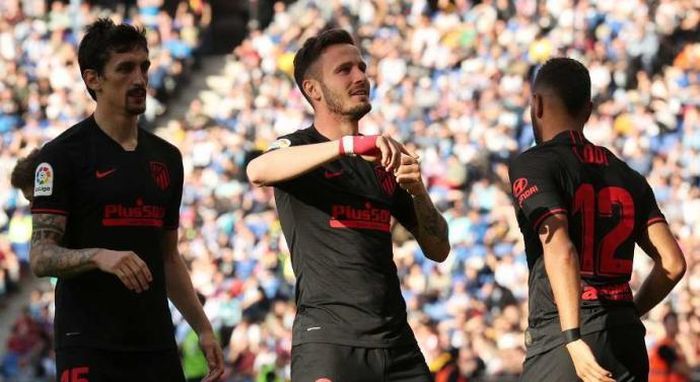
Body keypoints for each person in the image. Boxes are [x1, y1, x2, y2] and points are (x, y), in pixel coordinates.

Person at [246, 28, 450, 381]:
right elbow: (257, 170)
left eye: (362, 67)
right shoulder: (299, 147)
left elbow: (439, 248)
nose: (360, 77)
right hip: (329, 343)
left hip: (397, 343)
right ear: (313, 89)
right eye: (344, 70)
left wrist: (418, 192)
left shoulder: (383, 157)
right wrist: (346, 146)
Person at [28, 19, 224, 382]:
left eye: (144, 66)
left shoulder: (166, 158)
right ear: (93, 79)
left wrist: (203, 327)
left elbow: (168, 256)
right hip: (88, 343)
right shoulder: (61, 157)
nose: (139, 79)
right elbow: (40, 256)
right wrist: (100, 256)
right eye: (125, 68)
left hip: (154, 343)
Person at [508, 57, 686, 382]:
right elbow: (672, 263)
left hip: (565, 339)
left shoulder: (534, 164)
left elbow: (560, 248)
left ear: (536, 104)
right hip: (627, 341)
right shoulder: (627, 174)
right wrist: (629, 311)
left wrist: (573, 338)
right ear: (588, 110)